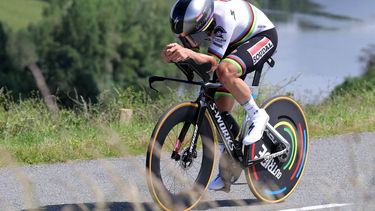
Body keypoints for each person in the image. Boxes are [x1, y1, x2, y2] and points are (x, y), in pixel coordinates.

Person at [162, 0, 278, 191]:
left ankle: (257, 114)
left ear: (203, 22)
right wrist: (175, 56)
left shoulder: (223, 17)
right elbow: (195, 57)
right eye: (184, 36)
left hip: (261, 36)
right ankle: (229, 162)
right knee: (220, 108)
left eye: (192, 34)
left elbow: (213, 63)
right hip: (233, 43)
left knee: (225, 71)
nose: (190, 39)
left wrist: (187, 53)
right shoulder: (193, 19)